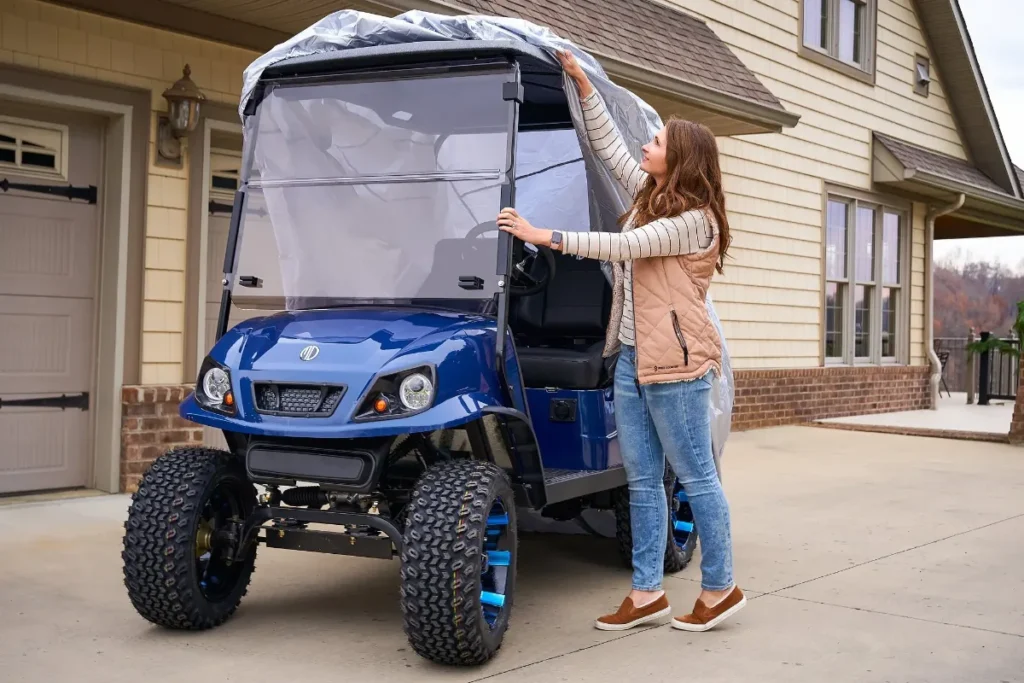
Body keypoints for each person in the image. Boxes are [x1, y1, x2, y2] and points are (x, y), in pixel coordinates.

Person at [496, 49, 743, 633]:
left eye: (656, 141)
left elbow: (624, 248)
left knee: (696, 475)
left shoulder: (693, 220)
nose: (646, 145)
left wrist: (543, 235)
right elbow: (608, 147)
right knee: (641, 480)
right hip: (633, 358)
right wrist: (584, 86)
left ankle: (721, 586)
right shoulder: (652, 198)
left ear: (679, 157)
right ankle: (647, 592)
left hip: (679, 363)